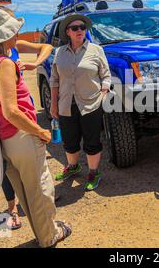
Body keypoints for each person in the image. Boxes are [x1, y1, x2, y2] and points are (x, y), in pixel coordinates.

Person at [0, 8, 71, 247]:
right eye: (14, 32)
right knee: (40, 188)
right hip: (21, 135)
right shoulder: (3, 63)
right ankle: (49, 235)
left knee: (24, 190)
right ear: (2, 37)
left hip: (4, 138)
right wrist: (40, 131)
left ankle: (44, 230)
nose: (17, 36)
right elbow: (12, 110)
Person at [0, 6, 54, 230]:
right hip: (10, 120)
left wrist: (35, 64)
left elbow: (46, 46)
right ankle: (12, 208)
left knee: (29, 170)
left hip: (24, 113)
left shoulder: (15, 47)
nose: (16, 32)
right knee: (11, 167)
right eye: (12, 27)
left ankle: (36, 203)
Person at [49, 13, 111, 190]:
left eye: (82, 28)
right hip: (66, 104)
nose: (79, 31)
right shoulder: (60, 52)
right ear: (67, 32)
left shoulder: (96, 50)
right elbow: (54, 80)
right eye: (75, 28)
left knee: (92, 141)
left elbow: (105, 75)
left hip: (91, 104)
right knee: (69, 140)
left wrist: (104, 91)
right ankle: (73, 167)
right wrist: (53, 104)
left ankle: (93, 172)